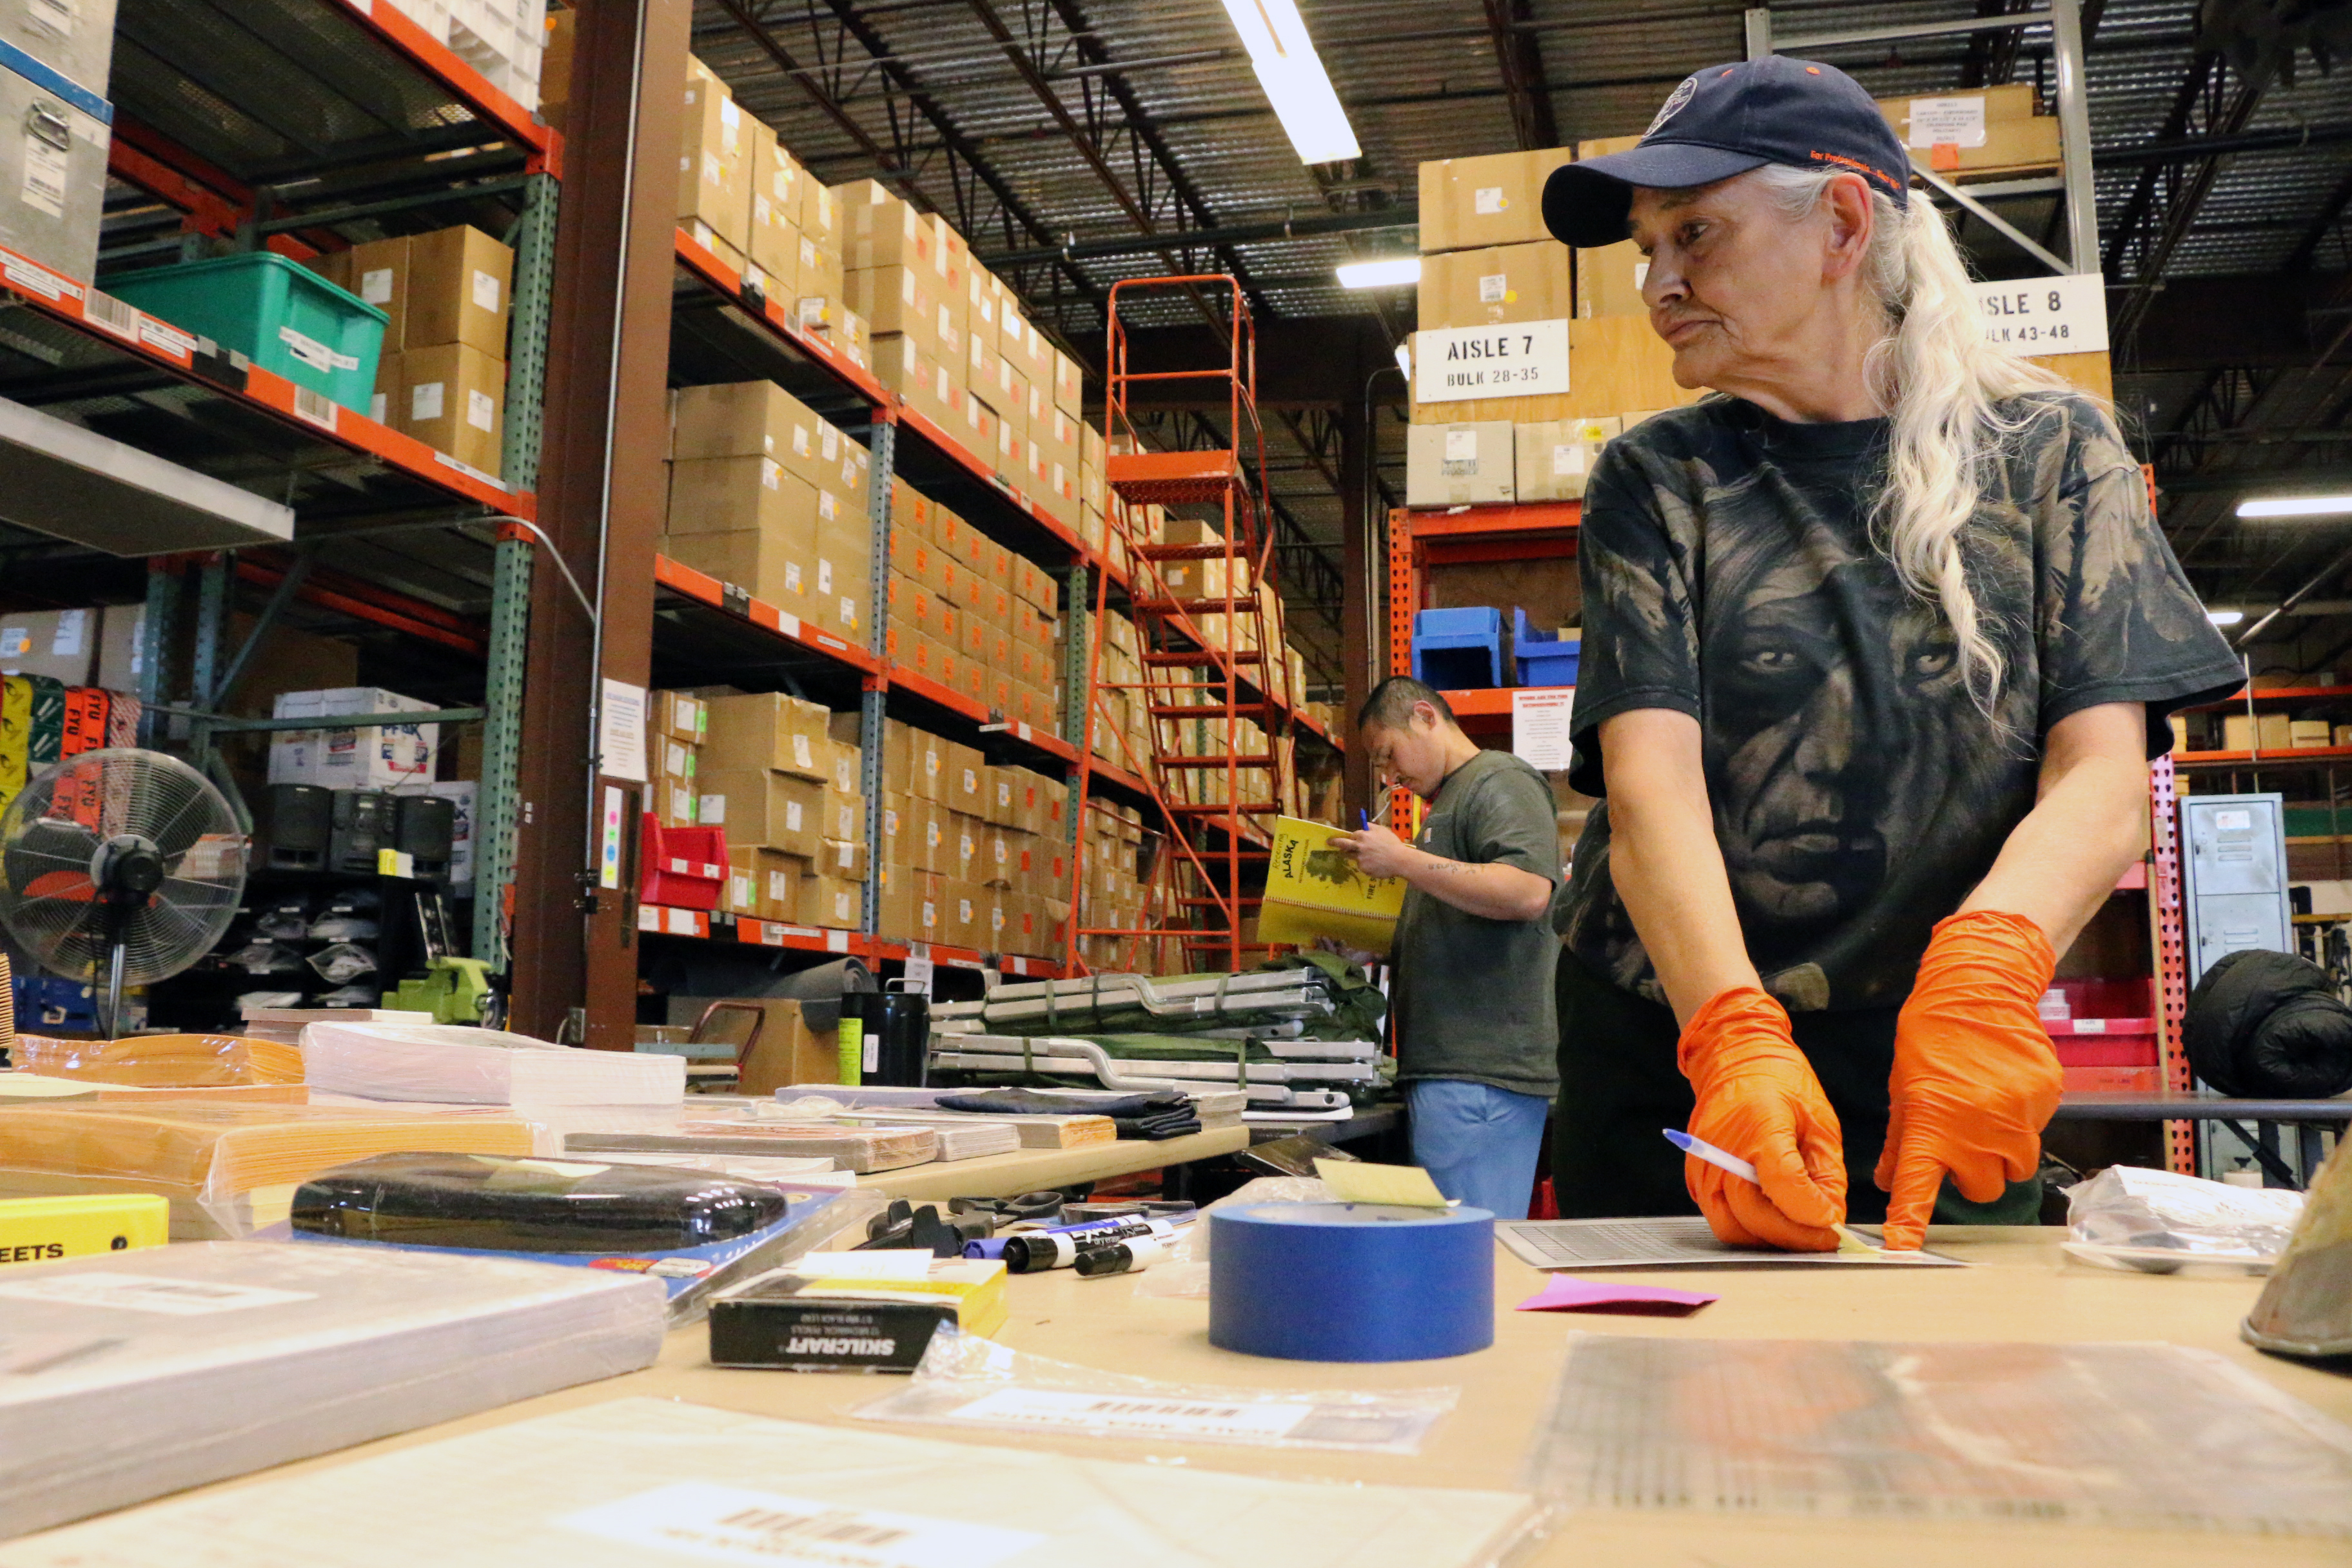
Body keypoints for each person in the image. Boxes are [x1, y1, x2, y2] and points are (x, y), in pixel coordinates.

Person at [1536, 57, 2244, 1251]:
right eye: (1643, 249)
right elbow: (1648, 788)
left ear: (1843, 223)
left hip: (1939, 1040)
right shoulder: (1660, 477)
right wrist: (1729, 1032)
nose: (1656, 282)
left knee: (1953, 1398)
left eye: (1693, 232)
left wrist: (1987, 971)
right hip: (1680, 1035)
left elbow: (2102, 775)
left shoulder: (2050, 455)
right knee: (1667, 1402)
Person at [1331, 678, 1562, 1219]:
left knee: (1469, 1254)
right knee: (1456, 1248)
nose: (1391, 777)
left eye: (1389, 755)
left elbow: (1527, 892)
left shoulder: (1498, 781)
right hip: (1453, 1070)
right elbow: (1460, 918)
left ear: (1425, 716)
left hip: (1480, 1072)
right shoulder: (1451, 802)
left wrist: (1403, 860)